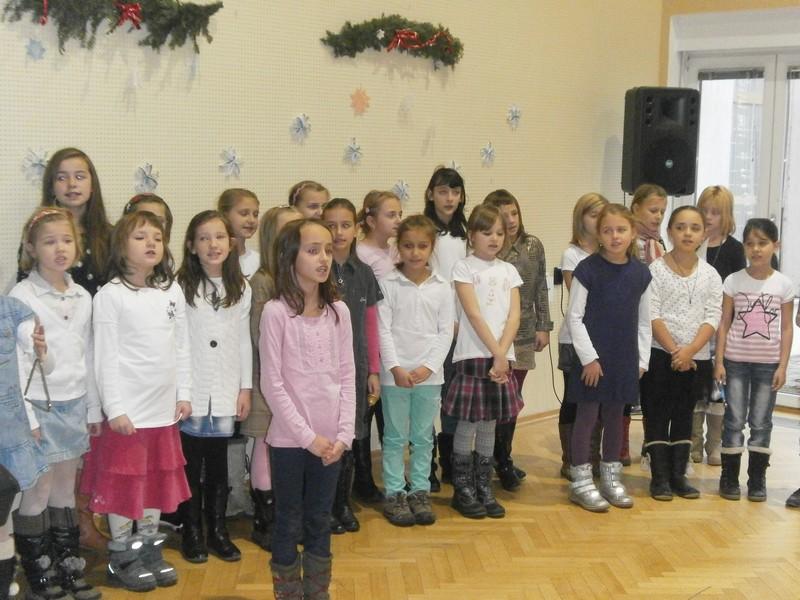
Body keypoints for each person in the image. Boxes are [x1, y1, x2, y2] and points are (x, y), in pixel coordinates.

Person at [81, 211, 192, 592]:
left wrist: (185, 393)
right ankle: (122, 556)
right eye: (141, 237)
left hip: (163, 413)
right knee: (125, 488)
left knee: (154, 486)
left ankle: (148, 549)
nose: (151, 244)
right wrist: (114, 408)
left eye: (157, 238)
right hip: (128, 416)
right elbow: (104, 356)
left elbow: (182, 346)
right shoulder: (110, 296)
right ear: (121, 246)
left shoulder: (171, 291)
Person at [10, 207, 102, 600]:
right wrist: (28, 418)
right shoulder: (21, 296)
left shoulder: (83, 296)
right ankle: (39, 573)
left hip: (73, 404)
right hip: (37, 407)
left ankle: (68, 565)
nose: (60, 248)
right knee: (39, 489)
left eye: (67, 240)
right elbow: (17, 364)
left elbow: (88, 354)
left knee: (66, 488)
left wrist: (93, 408)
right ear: (32, 248)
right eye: (49, 242)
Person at [260, 219, 355, 598]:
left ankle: (318, 591)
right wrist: (307, 437)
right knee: (289, 521)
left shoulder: (339, 312)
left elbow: (347, 376)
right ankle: (288, 593)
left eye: (328, 250)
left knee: (320, 518)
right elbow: (272, 384)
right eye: (313, 250)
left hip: (331, 441)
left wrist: (344, 434)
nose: (324, 258)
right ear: (290, 257)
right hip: (290, 440)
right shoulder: (275, 312)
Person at [175, 211, 252, 563]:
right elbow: (179, 343)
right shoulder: (180, 287)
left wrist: (245, 388)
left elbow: (243, 342)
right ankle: (192, 531)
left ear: (230, 243)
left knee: (219, 463)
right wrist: (182, 391)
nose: (213, 244)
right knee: (191, 463)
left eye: (219, 236)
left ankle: (218, 531)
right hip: (192, 390)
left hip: (224, 389)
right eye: (204, 238)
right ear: (192, 246)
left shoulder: (241, 287)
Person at [566, 204, 652, 512]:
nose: (615, 236)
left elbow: (644, 321)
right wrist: (589, 359)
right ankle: (580, 481)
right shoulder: (587, 270)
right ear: (599, 235)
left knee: (617, 417)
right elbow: (574, 317)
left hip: (623, 358)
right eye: (608, 230)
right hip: (592, 361)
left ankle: (611, 478)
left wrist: (641, 361)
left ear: (633, 233)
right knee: (587, 416)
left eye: (621, 230)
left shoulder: (641, 273)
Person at [443, 204, 522, 520]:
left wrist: (503, 353)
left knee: (489, 423)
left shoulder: (509, 270)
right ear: (472, 235)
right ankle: (462, 488)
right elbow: (474, 314)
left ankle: (483, 486)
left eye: (499, 233)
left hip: (501, 357)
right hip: (474, 354)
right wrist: (496, 352)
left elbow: (514, 315)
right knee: (468, 423)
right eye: (487, 232)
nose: (494, 238)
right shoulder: (464, 268)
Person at [641, 206, 722, 501]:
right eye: (680, 227)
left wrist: (690, 351)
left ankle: (679, 476)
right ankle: (659, 478)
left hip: (695, 358)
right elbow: (652, 314)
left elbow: (712, 316)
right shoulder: (655, 270)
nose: (688, 233)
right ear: (670, 231)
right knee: (657, 414)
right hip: (661, 355)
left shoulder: (711, 275)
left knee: (684, 415)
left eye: (695, 228)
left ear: (703, 234)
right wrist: (676, 350)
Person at [377, 215, 454, 526]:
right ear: (399, 247)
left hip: (429, 377)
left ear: (431, 248)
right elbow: (383, 330)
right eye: (408, 246)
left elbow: (445, 331)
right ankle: (395, 492)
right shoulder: (388, 284)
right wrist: (395, 367)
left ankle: (419, 490)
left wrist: (429, 367)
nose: (415, 252)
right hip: (394, 376)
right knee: (395, 437)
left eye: (422, 246)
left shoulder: (442, 287)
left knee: (423, 437)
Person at [715, 218, 794, 502]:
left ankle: (757, 479)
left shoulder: (783, 284)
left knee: (761, 421)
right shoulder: (733, 281)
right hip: (735, 361)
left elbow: (787, 328)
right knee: (734, 419)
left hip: (768, 364)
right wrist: (719, 361)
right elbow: (724, 322)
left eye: (763, 243)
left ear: (775, 245)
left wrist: (783, 366)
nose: (756, 249)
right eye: (750, 244)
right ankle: (729, 477)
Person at [484, 190, 553, 491]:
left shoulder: (532, 246)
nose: (511, 220)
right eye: (503, 215)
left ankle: (504, 457)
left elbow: (541, 288)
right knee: (495, 399)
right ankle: (491, 458)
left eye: (514, 213)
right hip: (494, 336)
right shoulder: (489, 249)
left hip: (524, 333)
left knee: (513, 400)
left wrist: (544, 325)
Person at [242, 205, 301, 551]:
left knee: (287, 447)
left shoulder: (299, 278)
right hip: (267, 379)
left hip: (296, 381)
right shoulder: (263, 281)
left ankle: (285, 514)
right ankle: (266, 521)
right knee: (265, 446)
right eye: (287, 229)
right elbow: (258, 335)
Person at [323, 199, 382, 533]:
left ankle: (342, 503)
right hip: (324, 371)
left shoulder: (365, 273)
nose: (338, 232)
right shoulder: (318, 270)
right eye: (330, 225)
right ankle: (325, 506)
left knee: (350, 434)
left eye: (345, 225)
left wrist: (373, 369)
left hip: (357, 369)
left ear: (356, 228)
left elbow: (371, 324)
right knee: (327, 434)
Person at [1, 297, 57, 599]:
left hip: (9, 428)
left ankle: (6, 581)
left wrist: (31, 420)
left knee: (3, 516)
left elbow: (23, 371)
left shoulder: (9, 310)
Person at [691, 186, 746, 465]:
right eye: (704, 211)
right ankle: (693, 442)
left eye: (715, 212)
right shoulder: (692, 243)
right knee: (694, 389)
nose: (709, 217)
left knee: (716, 390)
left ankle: (715, 444)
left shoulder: (734, 249)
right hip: (693, 327)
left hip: (721, 329)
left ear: (727, 216)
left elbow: (737, 292)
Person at [556, 193, 608, 479]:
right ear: (581, 218)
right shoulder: (572, 254)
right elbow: (580, 297)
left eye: (602, 215)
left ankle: (592, 456)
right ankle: (571, 459)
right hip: (574, 338)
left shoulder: (609, 252)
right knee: (573, 398)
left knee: (597, 400)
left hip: (603, 338)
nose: (598, 220)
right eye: (593, 214)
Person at [424, 167, 468, 485]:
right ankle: (426, 463)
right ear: (431, 195)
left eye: (455, 192)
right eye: (442, 191)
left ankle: (451, 460)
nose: (449, 198)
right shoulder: (424, 232)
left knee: (453, 397)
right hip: (430, 328)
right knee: (428, 396)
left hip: (462, 329)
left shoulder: (467, 234)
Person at [30, 148, 113, 298]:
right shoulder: (37, 234)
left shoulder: (112, 235)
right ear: (51, 187)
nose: (72, 184)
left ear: (92, 185)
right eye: (62, 178)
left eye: (80, 177)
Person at [630, 183, 668, 469]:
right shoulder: (628, 242)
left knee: (654, 391)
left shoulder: (660, 244)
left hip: (654, 325)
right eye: (653, 210)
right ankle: (616, 448)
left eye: (662, 212)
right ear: (635, 208)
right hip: (630, 322)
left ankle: (651, 444)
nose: (658, 217)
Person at [355, 190, 402, 278]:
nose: (399, 221)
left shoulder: (396, 251)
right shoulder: (361, 254)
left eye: (400, 215)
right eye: (391, 215)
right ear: (371, 221)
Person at [218, 188, 260, 278]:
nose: (252, 220)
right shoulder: (215, 261)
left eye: (255, 215)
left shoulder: (259, 261)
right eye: (244, 214)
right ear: (225, 215)